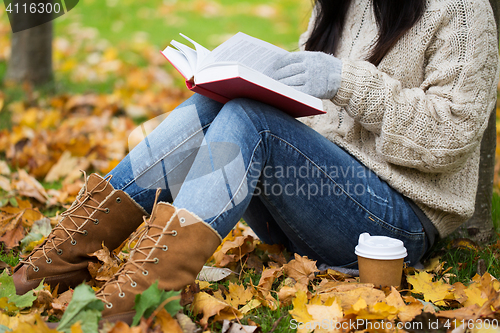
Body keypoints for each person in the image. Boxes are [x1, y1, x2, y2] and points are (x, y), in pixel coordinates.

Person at [12, 0, 499, 325]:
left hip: (392, 228)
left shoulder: (460, 12)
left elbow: (449, 135)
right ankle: (60, 261)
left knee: (252, 119)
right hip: (311, 207)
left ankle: (141, 296)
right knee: (216, 105)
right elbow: (315, 108)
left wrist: (346, 80)